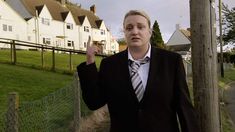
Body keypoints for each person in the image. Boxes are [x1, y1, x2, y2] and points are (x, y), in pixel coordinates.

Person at [77, 10, 199, 132]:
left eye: (141, 27)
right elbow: (94, 102)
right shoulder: (110, 65)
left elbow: (184, 107)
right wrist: (89, 62)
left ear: (150, 32)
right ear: (124, 32)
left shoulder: (171, 61)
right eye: (129, 28)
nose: (135, 31)